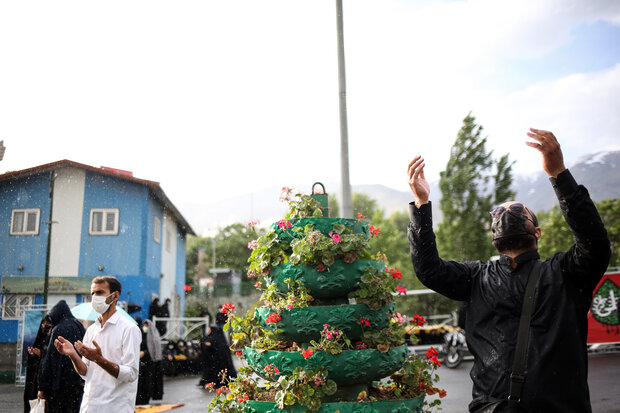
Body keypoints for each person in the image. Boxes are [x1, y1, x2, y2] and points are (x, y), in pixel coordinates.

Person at [406, 129, 610, 412]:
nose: (506, 214)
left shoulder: (566, 273)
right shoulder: (476, 279)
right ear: (493, 237)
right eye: (499, 213)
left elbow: (595, 244)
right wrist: (421, 205)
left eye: (517, 210)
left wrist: (559, 174)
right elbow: (428, 269)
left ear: (536, 231)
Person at [53, 276, 141, 413]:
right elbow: (85, 372)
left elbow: (130, 374)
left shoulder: (129, 329)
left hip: (115, 407)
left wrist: (99, 360)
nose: (94, 297)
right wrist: (72, 354)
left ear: (115, 296)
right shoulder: (91, 330)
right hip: (89, 406)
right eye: (92, 293)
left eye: (100, 292)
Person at [37, 300, 86, 413]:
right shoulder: (78, 325)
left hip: (60, 383)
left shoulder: (58, 329)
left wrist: (43, 386)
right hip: (78, 381)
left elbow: (49, 360)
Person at [23, 314, 52, 413]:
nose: (45, 326)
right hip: (34, 382)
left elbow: (51, 358)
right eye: (43, 324)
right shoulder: (40, 338)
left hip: (44, 381)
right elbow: (31, 363)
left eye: (48, 324)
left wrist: (42, 354)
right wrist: (32, 354)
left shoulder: (51, 339)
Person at [135, 318, 163, 405]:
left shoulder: (153, 335)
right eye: (144, 325)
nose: (145, 327)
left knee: (148, 381)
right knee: (140, 382)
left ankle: (146, 399)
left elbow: (154, 349)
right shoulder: (140, 335)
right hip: (140, 361)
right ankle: (139, 400)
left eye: (146, 325)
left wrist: (145, 352)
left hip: (150, 362)